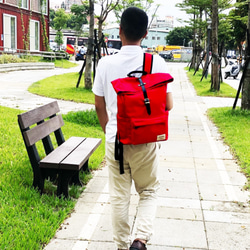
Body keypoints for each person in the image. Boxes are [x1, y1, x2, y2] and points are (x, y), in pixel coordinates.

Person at [92, 7, 173, 250]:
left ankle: (120, 246)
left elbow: (99, 105)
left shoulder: (106, 63)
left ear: (120, 31)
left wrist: (110, 129)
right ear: (146, 33)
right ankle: (140, 240)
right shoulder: (156, 62)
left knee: (119, 196)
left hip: (116, 139)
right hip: (145, 140)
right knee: (148, 190)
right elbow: (168, 104)